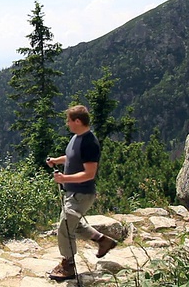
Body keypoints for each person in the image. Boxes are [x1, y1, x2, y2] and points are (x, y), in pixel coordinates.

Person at [46, 105, 117, 281]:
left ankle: (68, 265)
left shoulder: (89, 142)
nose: (67, 124)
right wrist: (57, 160)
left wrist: (64, 179)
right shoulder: (77, 138)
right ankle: (102, 240)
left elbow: (89, 173)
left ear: (77, 121)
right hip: (74, 192)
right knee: (74, 225)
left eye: (69, 120)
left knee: (65, 226)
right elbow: (71, 157)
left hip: (82, 193)